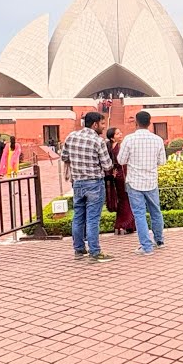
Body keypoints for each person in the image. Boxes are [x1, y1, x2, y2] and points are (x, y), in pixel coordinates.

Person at [61, 112, 115, 262]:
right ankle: (95, 252)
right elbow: (107, 165)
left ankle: (79, 250)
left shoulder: (71, 137)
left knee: (78, 216)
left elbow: (64, 157)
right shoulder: (98, 141)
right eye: (102, 124)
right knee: (92, 218)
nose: (104, 128)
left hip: (77, 182)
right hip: (94, 183)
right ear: (95, 124)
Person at [117, 110, 167, 255]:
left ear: (136, 123)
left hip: (134, 182)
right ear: (149, 123)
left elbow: (121, 160)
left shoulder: (129, 139)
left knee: (139, 215)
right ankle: (159, 241)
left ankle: (146, 247)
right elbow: (162, 162)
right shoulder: (157, 140)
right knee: (156, 212)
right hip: (151, 181)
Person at [105, 128, 137, 235]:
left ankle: (120, 225)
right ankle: (126, 225)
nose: (120, 134)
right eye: (117, 133)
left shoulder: (109, 147)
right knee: (126, 199)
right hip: (123, 175)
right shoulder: (118, 146)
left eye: (120, 132)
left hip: (117, 175)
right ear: (112, 138)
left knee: (122, 200)